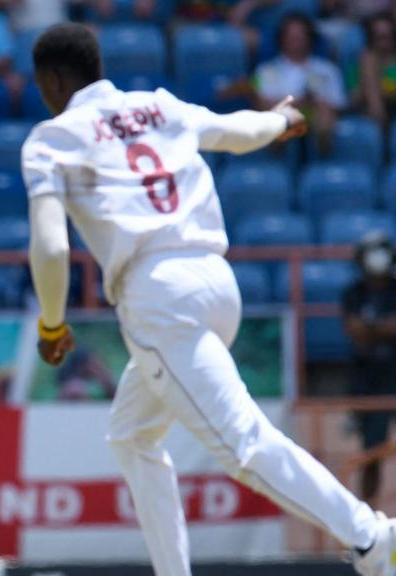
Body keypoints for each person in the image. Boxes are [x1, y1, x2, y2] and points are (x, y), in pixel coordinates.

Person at [22, 22, 395, 576]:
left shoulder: (53, 137)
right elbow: (235, 132)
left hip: (158, 297)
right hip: (216, 283)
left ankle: (371, 536)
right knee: (131, 436)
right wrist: (279, 120)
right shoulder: (157, 105)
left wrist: (52, 324)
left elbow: (52, 248)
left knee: (241, 444)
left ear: (51, 81)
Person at [342, 232, 396, 507]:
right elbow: (355, 331)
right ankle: (368, 518)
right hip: (368, 382)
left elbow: (365, 329)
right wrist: (384, 327)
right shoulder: (353, 293)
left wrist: (371, 327)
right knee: (371, 452)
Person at [252, 12, 347, 153]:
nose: (296, 40)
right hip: (282, 117)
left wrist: (312, 104)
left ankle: (322, 163)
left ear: (310, 38)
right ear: (282, 38)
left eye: (300, 36)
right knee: (275, 118)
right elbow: (262, 103)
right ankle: (277, 167)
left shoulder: (328, 70)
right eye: (291, 36)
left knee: (325, 116)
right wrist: (301, 103)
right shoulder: (264, 70)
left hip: (317, 117)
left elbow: (338, 104)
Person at [351, 13, 396, 129]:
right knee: (368, 62)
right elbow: (353, 100)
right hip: (366, 112)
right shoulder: (360, 62)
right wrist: (367, 80)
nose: (384, 43)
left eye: (388, 37)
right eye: (379, 37)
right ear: (371, 38)